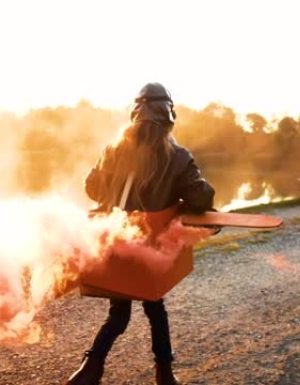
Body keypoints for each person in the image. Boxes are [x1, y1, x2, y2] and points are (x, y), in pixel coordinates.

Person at [65, 83, 215, 385]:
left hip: (117, 242)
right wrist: (180, 202)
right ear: (168, 114)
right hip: (150, 248)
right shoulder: (178, 155)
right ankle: (164, 375)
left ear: (136, 112)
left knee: (118, 314)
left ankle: (89, 369)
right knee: (155, 307)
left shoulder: (113, 149)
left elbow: (91, 188)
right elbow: (201, 199)